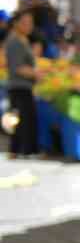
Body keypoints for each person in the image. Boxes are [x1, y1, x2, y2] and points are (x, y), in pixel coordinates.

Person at [6, 8, 40, 157]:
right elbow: (17, 67)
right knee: (22, 119)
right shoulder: (14, 42)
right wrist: (36, 73)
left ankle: (22, 150)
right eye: (25, 23)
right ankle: (22, 150)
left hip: (25, 85)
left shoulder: (23, 40)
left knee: (24, 118)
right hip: (19, 86)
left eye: (31, 23)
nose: (29, 26)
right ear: (16, 24)